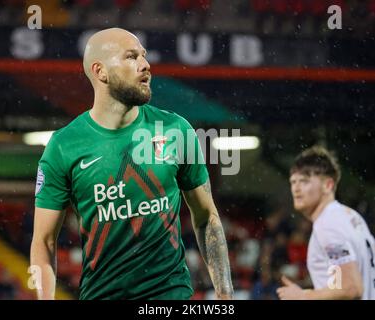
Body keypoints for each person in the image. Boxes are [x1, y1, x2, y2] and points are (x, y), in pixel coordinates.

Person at [30, 28, 233, 300]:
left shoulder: (176, 130)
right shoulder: (63, 146)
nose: (145, 64)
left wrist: (225, 294)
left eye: (144, 56)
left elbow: (206, 216)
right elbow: (44, 241)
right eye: (131, 56)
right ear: (100, 71)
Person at [277, 146, 375, 300]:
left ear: (328, 185)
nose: (296, 188)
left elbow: (351, 287)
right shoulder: (352, 216)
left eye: (304, 181)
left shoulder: (328, 224)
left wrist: (303, 296)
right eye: (293, 182)